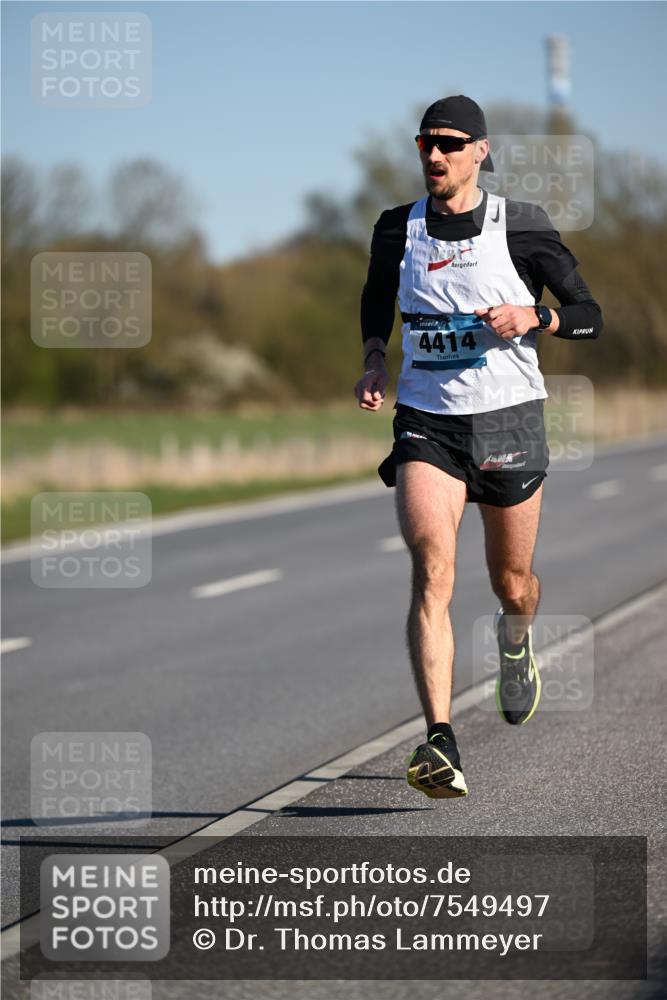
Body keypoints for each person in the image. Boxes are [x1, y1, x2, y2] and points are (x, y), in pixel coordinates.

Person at [354, 95, 602, 799]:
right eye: (425, 143)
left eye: (449, 144)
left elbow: (590, 314)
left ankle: (516, 639)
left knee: (511, 583)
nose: (434, 155)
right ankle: (439, 741)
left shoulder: (518, 224)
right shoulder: (395, 228)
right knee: (432, 569)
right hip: (427, 421)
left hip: (509, 421)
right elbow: (376, 295)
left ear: (479, 151)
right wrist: (375, 356)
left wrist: (537, 315)